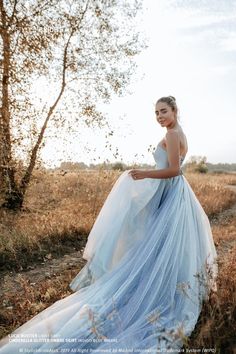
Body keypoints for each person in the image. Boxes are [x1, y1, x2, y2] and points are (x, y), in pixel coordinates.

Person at [0, 96, 218, 353]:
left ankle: (150, 295)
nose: (159, 116)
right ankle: (161, 290)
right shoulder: (179, 132)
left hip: (171, 191)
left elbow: (174, 170)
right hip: (175, 193)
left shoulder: (172, 134)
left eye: (163, 111)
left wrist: (143, 174)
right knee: (161, 249)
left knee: (156, 247)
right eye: (156, 112)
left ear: (174, 111)